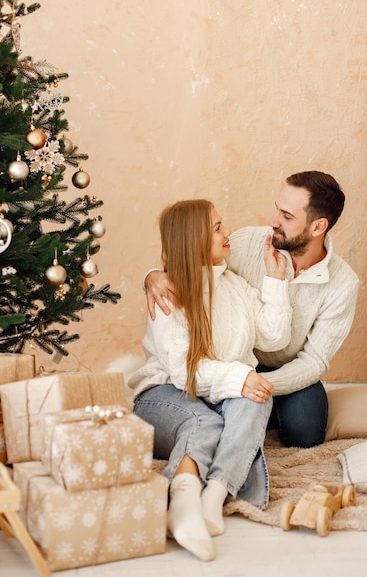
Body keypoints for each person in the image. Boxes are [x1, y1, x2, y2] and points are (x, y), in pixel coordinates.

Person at [144, 171, 360, 449]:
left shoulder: (343, 283)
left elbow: (314, 361)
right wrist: (152, 277)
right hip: (236, 359)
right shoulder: (247, 243)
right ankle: (245, 413)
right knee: (216, 409)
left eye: (287, 216)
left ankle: (258, 412)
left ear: (318, 227)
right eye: (277, 209)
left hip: (285, 368)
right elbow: (192, 263)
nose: (273, 221)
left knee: (304, 432)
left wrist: (254, 384)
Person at [129, 199, 292, 561]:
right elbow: (183, 372)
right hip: (163, 396)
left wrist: (275, 279)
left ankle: (213, 496)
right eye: (217, 227)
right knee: (206, 420)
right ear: (193, 239)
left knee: (256, 397)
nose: (227, 232)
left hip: (218, 393)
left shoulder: (233, 286)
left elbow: (274, 338)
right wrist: (240, 375)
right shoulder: (168, 290)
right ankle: (181, 503)